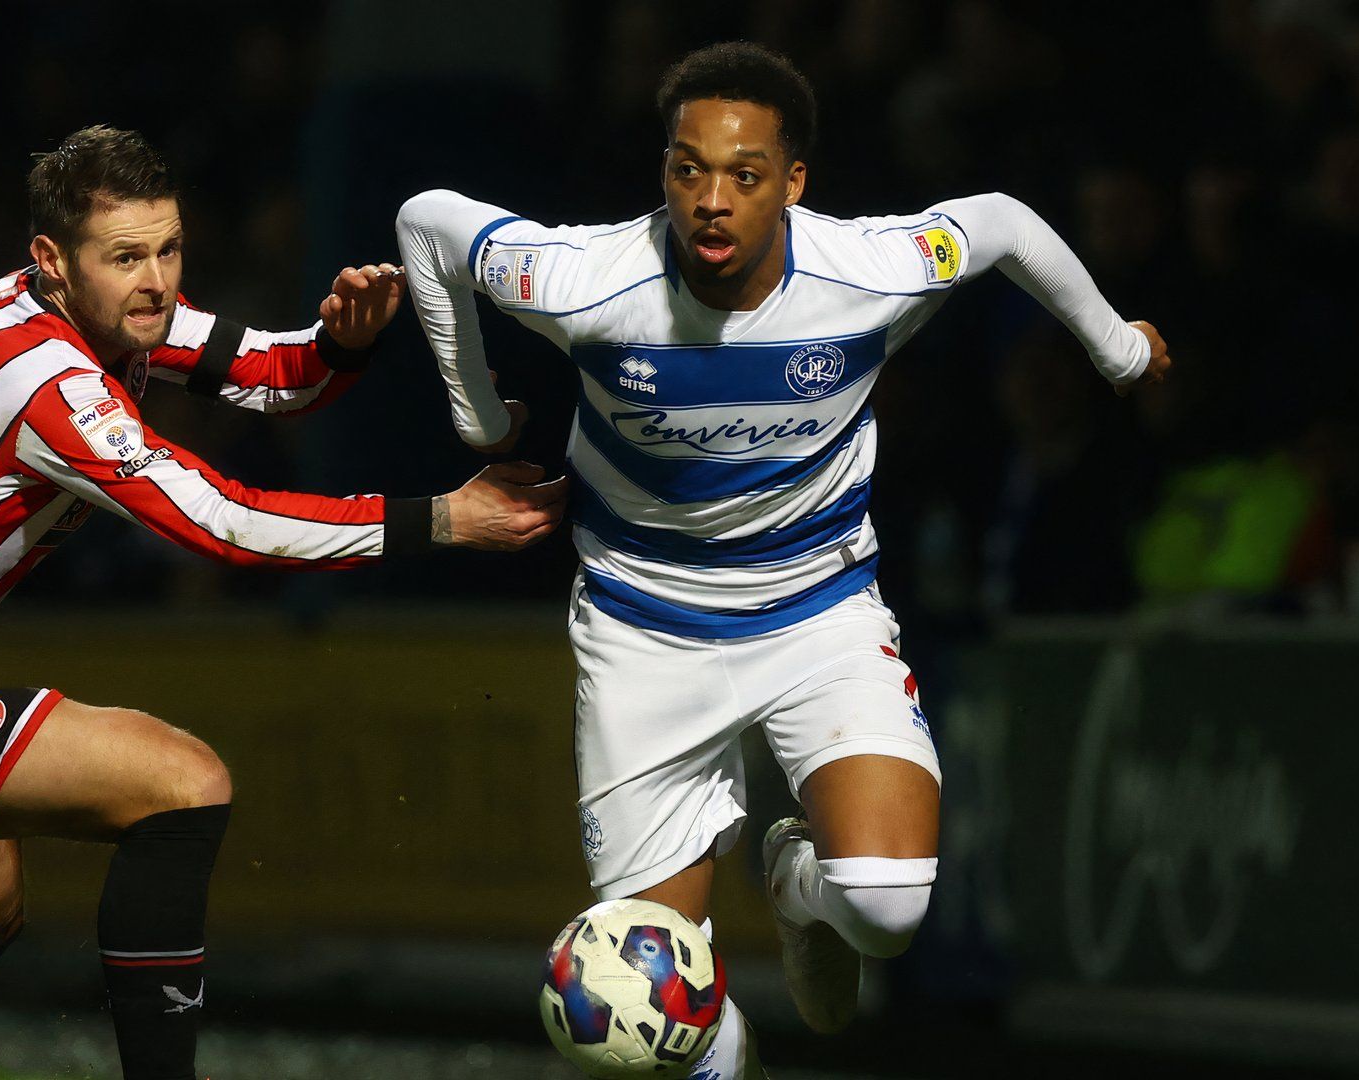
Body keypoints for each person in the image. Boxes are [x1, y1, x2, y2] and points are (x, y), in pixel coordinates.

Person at [395, 43, 1170, 1076]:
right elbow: (426, 219)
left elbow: (998, 221)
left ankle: (799, 883)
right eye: (687, 170)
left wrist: (1114, 346)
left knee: (887, 909)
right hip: (643, 634)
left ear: (793, 183)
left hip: (819, 616)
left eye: (745, 175)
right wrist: (476, 411)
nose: (711, 201)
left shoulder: (867, 273)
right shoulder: (588, 283)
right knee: (653, 1011)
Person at [0, 124, 567, 1080]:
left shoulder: (83, 313)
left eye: (169, 248)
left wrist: (338, 346)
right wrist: (442, 520)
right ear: (52, 261)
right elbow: (220, 524)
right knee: (183, 784)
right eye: (128, 257)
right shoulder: (48, 379)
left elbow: (268, 373)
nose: (156, 281)